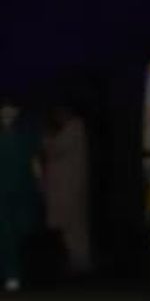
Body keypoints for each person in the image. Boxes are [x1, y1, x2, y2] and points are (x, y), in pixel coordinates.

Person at [42, 103, 92, 277]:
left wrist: (47, 138)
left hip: (70, 188)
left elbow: (53, 148)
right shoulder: (71, 130)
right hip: (66, 187)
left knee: (73, 228)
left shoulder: (74, 129)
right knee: (69, 228)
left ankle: (79, 263)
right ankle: (75, 261)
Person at [0, 94, 43, 293]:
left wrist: (39, 183)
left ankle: (16, 272)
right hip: (3, 191)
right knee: (6, 233)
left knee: (21, 230)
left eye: (12, 109)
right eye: (5, 109)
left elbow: (35, 161)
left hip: (22, 188)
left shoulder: (26, 134)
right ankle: (12, 275)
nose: (8, 113)